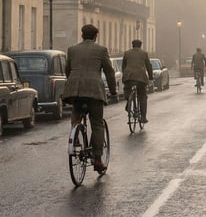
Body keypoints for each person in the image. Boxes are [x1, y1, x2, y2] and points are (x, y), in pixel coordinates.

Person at [62, 24, 117, 172]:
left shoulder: (72, 50)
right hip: (94, 91)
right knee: (97, 124)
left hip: (75, 90)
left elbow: (67, 70)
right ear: (95, 36)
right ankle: (97, 159)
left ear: (82, 35)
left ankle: (75, 139)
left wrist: (73, 84)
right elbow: (110, 72)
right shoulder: (101, 50)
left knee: (76, 114)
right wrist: (113, 91)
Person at [122, 39, 153, 123]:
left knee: (127, 89)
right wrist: (150, 77)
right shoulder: (144, 53)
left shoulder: (126, 53)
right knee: (142, 96)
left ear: (132, 45)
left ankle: (128, 100)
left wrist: (124, 75)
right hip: (140, 77)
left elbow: (124, 66)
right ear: (140, 45)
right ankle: (143, 117)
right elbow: (148, 66)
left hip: (128, 76)